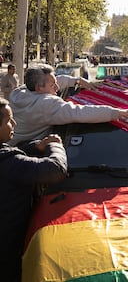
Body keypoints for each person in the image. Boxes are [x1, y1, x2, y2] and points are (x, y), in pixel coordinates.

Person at [0, 97, 68, 281]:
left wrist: (36, 146)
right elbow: (55, 170)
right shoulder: (7, 163)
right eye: (9, 120)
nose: (14, 123)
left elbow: (13, 152)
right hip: (7, 246)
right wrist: (56, 146)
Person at [8, 63, 128, 146]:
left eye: (55, 83)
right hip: (23, 151)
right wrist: (121, 113)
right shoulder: (46, 104)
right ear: (39, 88)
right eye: (52, 85)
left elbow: (57, 81)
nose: (56, 88)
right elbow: (82, 112)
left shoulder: (21, 91)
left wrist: (77, 80)